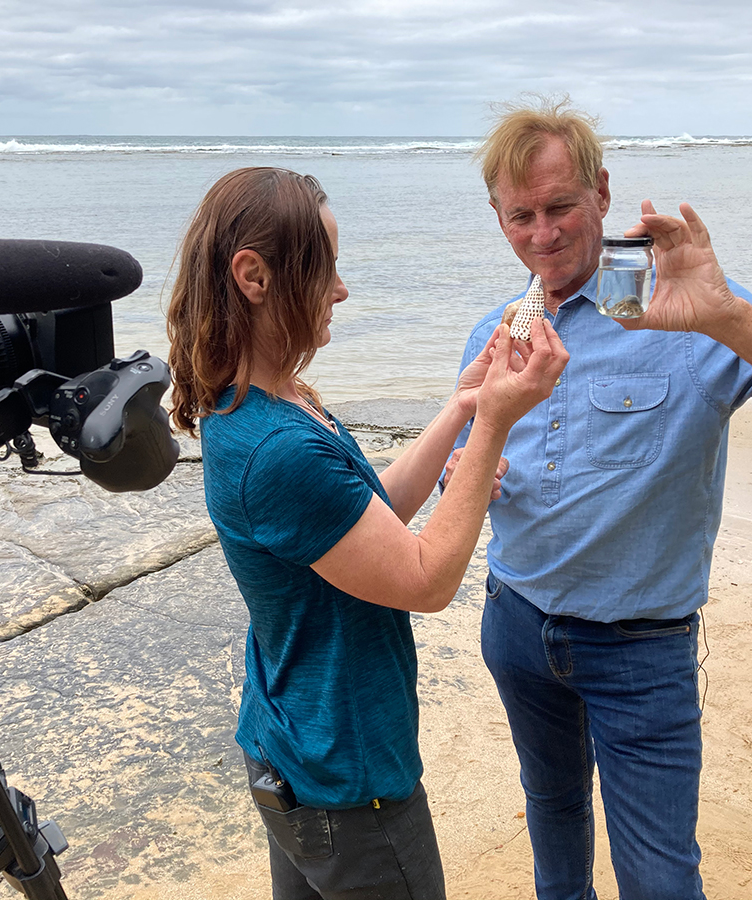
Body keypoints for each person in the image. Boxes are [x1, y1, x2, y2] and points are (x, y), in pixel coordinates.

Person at [447, 99, 752, 900]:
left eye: (560, 207)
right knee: (552, 812)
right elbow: (467, 463)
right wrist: (470, 474)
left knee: (658, 876)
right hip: (514, 622)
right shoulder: (499, 328)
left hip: (640, 648)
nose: (543, 235)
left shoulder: (683, 310)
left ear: (601, 193)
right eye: (521, 216)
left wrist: (728, 317)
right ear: (497, 217)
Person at [166, 166, 569, 900]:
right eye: (325, 269)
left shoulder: (266, 403)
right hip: (350, 784)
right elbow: (425, 579)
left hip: (292, 749)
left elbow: (366, 515)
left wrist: (463, 406)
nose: (341, 290)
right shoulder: (278, 448)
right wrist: (494, 423)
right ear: (253, 277)